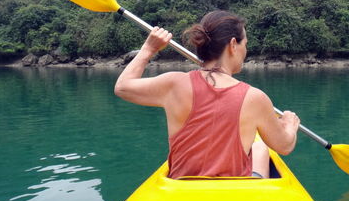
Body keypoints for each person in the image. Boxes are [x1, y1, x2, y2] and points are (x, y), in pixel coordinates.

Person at [114, 10, 300, 179]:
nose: (246, 50)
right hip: (233, 196)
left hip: (181, 193)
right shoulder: (255, 98)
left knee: (258, 146)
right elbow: (284, 146)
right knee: (260, 146)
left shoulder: (174, 84)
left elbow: (122, 87)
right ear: (233, 45)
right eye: (245, 43)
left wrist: (148, 49)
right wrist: (290, 125)